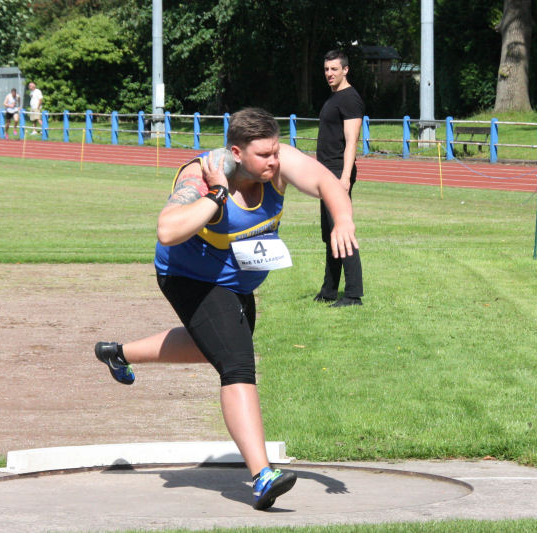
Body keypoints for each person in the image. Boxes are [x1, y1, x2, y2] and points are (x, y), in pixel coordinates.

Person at [94, 107, 358, 510]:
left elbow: (326, 180)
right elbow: (167, 229)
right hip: (190, 278)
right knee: (236, 362)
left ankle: (118, 354)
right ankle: (262, 475)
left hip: (235, 281)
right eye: (264, 156)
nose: (274, 161)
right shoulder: (200, 176)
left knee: (209, 346)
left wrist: (342, 221)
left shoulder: (277, 164)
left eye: (276, 152)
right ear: (236, 151)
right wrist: (216, 195)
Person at [314, 49, 364, 307]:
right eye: (326, 69)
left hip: (337, 173)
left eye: (334, 69)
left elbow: (352, 141)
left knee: (341, 230)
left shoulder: (349, 99)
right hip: (326, 173)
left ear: (346, 70)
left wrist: (344, 178)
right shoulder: (335, 97)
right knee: (330, 232)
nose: (329, 74)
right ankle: (329, 290)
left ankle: (353, 294)